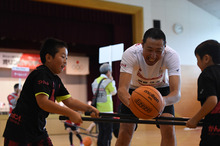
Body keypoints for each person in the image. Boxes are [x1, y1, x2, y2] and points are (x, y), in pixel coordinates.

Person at [3, 38, 99, 146]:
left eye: (66, 58)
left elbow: (70, 101)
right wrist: (70, 112)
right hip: (19, 130)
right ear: (48, 57)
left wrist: (89, 108)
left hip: (37, 130)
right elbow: (43, 103)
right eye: (62, 57)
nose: (65, 61)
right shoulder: (41, 74)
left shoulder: (56, 80)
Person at [115, 28, 181, 146]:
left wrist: (161, 102)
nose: (153, 56)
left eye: (158, 51)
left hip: (161, 90)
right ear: (142, 44)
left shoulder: (172, 56)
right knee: (125, 130)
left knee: (168, 128)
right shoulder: (130, 53)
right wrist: (133, 104)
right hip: (134, 90)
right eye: (149, 50)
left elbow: (176, 93)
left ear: (165, 47)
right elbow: (122, 90)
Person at [186, 40, 220, 146]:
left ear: (206, 58)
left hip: (214, 133)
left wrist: (195, 119)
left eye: (197, 59)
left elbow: (212, 100)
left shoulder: (207, 74)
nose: (197, 63)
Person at [91, 63, 117, 146]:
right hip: (108, 110)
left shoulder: (95, 81)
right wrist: (112, 81)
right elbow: (114, 92)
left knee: (101, 132)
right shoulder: (108, 81)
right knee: (108, 134)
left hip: (98, 110)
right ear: (108, 72)